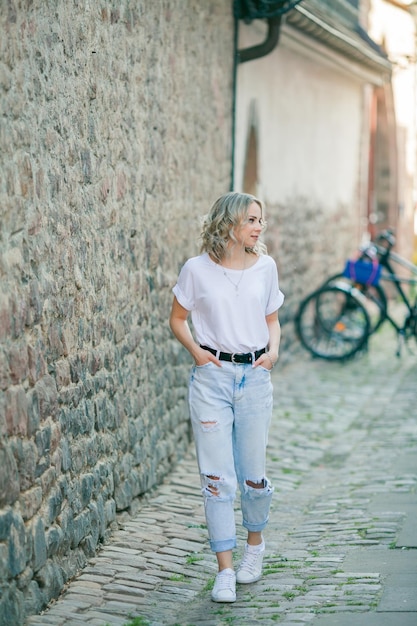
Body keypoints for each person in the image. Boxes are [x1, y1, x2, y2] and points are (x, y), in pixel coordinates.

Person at [169, 191, 284, 603]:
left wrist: (272, 353)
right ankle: (225, 570)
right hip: (212, 380)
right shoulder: (196, 270)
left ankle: (254, 547)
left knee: (253, 476)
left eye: (260, 220)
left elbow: (273, 321)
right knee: (217, 480)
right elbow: (177, 319)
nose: (258, 227)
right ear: (229, 223)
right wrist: (198, 353)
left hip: (254, 378)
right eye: (251, 220)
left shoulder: (265, 268)